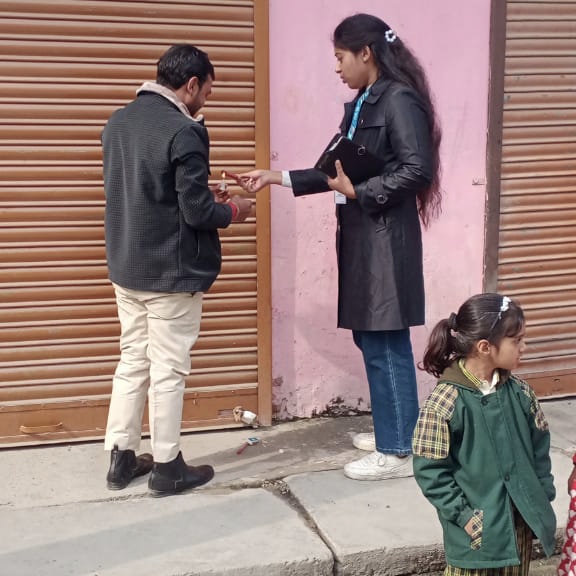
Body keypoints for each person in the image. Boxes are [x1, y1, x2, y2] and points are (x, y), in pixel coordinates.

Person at [235, 13, 442, 480]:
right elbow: (335, 169)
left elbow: (417, 170)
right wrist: (273, 177)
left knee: (385, 340)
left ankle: (397, 451)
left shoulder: (398, 100)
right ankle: (397, 429)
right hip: (363, 237)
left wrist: (360, 192)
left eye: (340, 56)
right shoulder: (364, 102)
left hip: (386, 242)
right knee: (370, 337)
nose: (337, 67)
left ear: (365, 52)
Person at [101, 44, 252, 497]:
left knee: (133, 360)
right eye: (207, 91)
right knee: (168, 369)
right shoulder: (184, 131)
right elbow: (196, 212)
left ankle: (121, 458)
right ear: (191, 84)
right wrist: (235, 210)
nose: (206, 99)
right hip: (170, 272)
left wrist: (204, 194)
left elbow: (151, 193)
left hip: (127, 266)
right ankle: (167, 467)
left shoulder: (117, 122)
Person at [412, 293, 556, 576]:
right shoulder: (444, 403)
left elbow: (540, 448)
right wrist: (465, 516)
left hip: (519, 524)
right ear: (484, 347)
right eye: (517, 340)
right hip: (474, 537)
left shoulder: (521, 393)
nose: (524, 347)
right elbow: (430, 471)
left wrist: (542, 493)